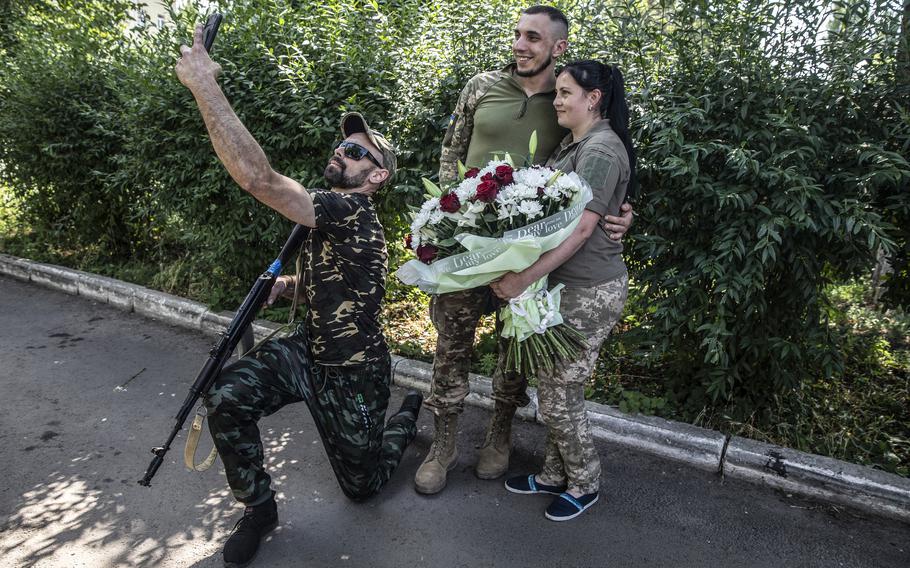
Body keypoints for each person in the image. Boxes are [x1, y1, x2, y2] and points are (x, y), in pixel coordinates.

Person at [175, 25, 422, 566]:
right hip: (305, 348)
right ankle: (259, 511)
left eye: (357, 151)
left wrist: (204, 87)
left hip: (351, 369)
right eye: (343, 143)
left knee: (364, 484)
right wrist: (292, 286)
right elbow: (343, 283)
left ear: (376, 176)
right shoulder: (332, 214)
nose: (343, 150)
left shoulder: (352, 210)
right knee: (225, 399)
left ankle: (406, 416)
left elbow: (258, 179)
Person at [415, 4, 634, 495]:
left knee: (516, 351)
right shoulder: (481, 86)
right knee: (450, 348)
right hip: (466, 247)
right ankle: (442, 444)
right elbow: (452, 152)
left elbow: (598, 162)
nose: (520, 45)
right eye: (517, 35)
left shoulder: (569, 98)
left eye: (533, 38)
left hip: (532, 259)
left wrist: (625, 208)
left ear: (558, 47)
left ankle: (500, 436)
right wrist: (444, 223)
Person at [491, 59, 636, 521]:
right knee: (554, 385)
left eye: (565, 93)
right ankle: (555, 474)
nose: (556, 100)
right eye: (556, 92)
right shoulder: (580, 144)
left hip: (590, 290)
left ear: (593, 99)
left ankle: (586, 480)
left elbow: (578, 232)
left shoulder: (600, 149)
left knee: (559, 394)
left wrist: (519, 279)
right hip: (566, 287)